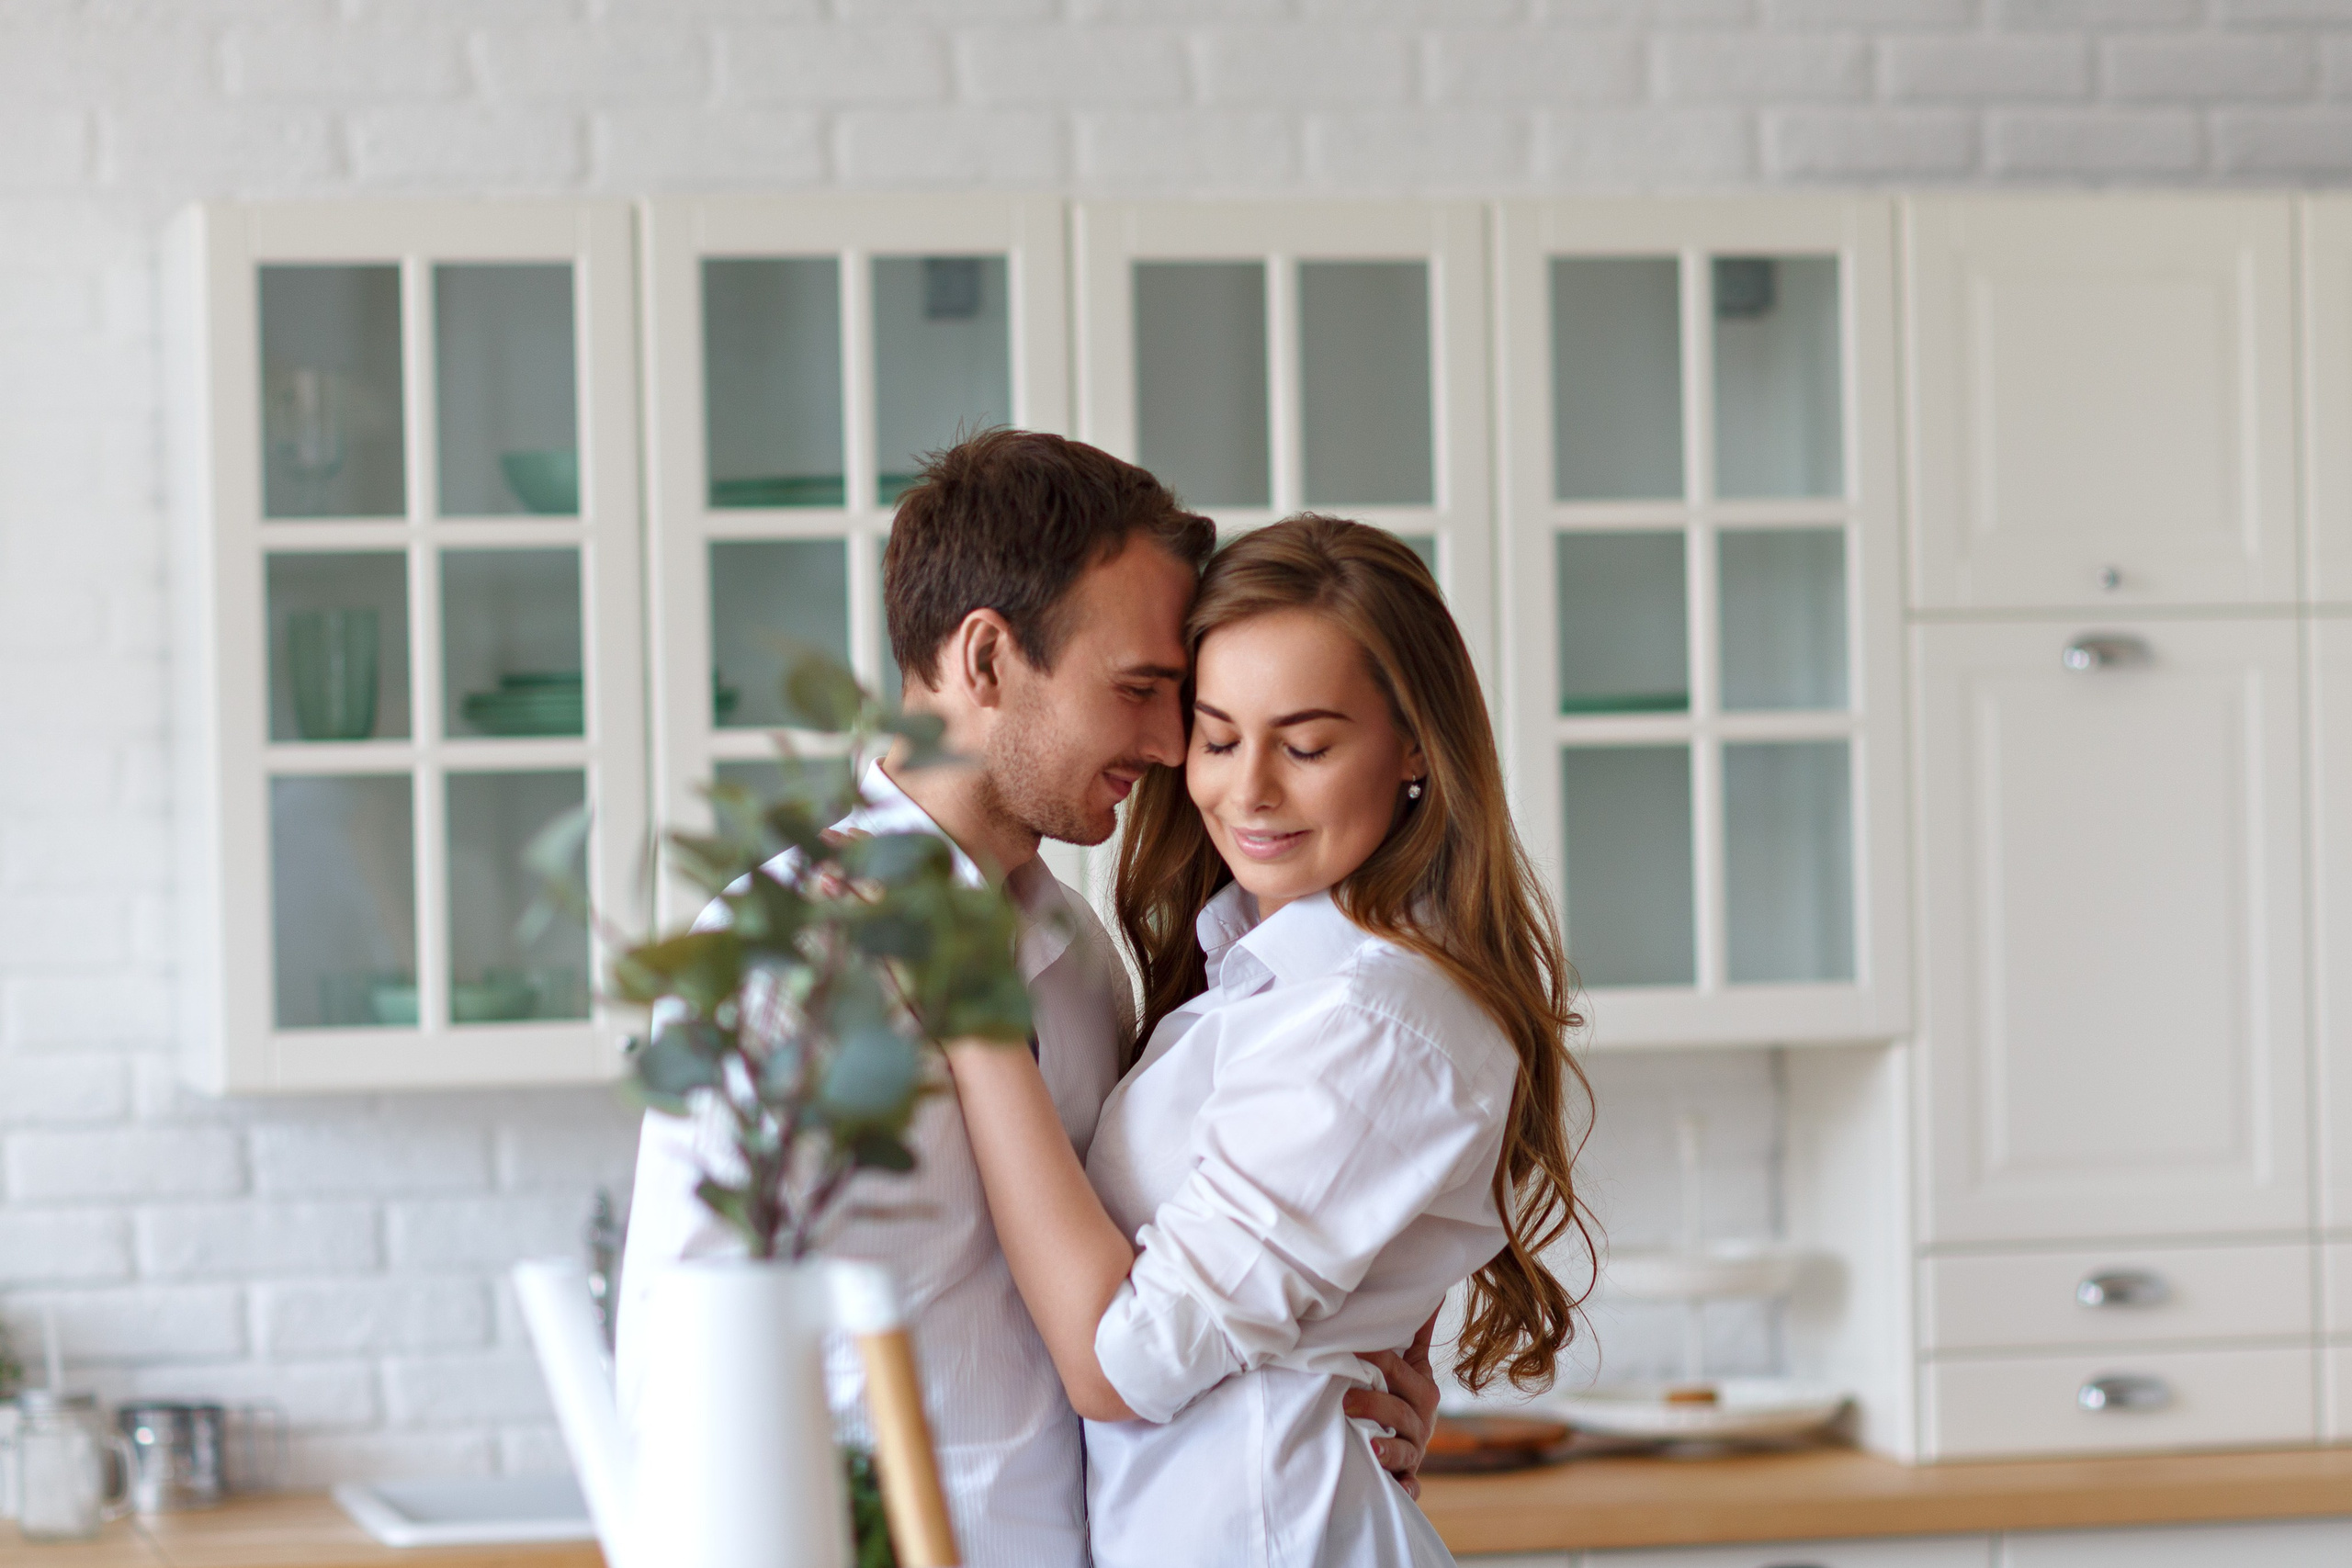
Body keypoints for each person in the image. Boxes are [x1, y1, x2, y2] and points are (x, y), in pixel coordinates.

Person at [617, 434, 1446, 1568]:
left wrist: (1349, 1376)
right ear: (988, 658)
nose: (1169, 748)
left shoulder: (1074, 955)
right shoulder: (799, 952)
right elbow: (691, 1380)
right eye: (1142, 692)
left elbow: (1170, 1289)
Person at [944, 515, 1593, 1567]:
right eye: (1216, 736)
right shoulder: (1266, 975)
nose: (1247, 791)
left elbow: (1121, 1370)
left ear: (1416, 744)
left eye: (1306, 744)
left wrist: (973, 1023)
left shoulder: (1372, 1020)